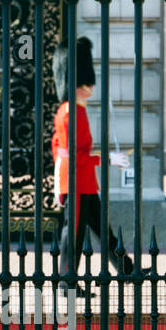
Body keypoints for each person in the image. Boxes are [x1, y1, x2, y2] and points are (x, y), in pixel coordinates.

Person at [51, 37, 150, 295]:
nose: (90, 85)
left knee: (102, 231)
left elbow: (61, 148)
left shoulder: (76, 110)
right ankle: (67, 283)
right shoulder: (69, 112)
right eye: (86, 81)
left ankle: (126, 269)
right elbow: (71, 155)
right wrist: (107, 159)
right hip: (75, 182)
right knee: (72, 236)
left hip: (83, 181)